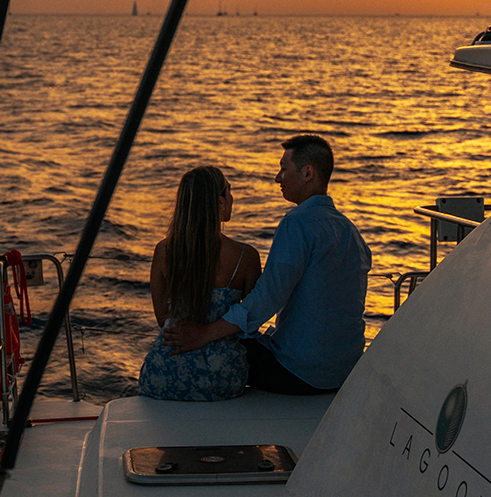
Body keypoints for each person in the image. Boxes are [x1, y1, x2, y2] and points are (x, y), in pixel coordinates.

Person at [164, 135, 371, 395]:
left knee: (219, 343)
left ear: (308, 173)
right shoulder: (350, 230)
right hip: (345, 372)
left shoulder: (297, 223)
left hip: (300, 373)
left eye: (284, 169)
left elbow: (267, 297)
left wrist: (204, 333)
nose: (277, 178)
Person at [138, 166, 261, 401]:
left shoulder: (164, 251)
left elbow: (163, 318)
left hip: (165, 372)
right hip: (222, 378)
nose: (232, 199)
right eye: (229, 192)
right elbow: (250, 322)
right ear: (220, 202)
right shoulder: (246, 256)